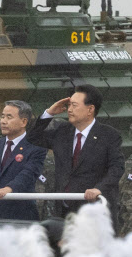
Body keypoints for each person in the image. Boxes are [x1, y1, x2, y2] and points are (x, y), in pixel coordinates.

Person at [26, 84, 125, 217]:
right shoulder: (62, 131)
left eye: (74, 105)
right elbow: (33, 138)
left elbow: (117, 168)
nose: (69, 109)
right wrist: (49, 113)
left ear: (90, 109)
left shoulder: (109, 135)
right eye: (69, 105)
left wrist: (99, 189)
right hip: (63, 210)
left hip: (93, 210)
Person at [0, 100, 46, 220]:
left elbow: (29, 174)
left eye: (9, 117)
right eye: (2, 116)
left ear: (23, 122)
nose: (3, 121)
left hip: (20, 213)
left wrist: (9, 188)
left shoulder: (36, 147)